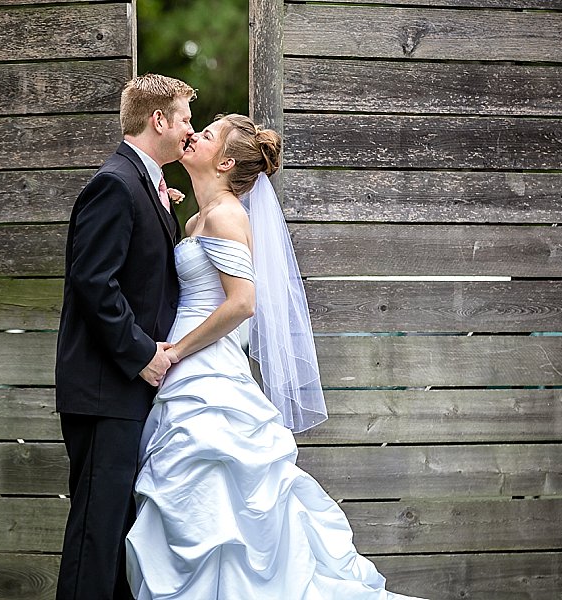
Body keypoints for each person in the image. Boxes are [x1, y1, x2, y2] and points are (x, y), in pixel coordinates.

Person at [125, 114, 429, 599]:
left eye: (205, 135)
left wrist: (177, 351)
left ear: (224, 162)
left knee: (217, 503)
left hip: (204, 371)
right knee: (190, 505)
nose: (193, 135)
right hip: (185, 373)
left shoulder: (226, 214)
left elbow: (243, 302)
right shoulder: (196, 219)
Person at [54, 73, 196, 600]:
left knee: (117, 535)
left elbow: (141, 278)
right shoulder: (114, 183)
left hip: (123, 391)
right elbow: (93, 282)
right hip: (104, 389)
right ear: (158, 120)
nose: (189, 129)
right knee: (97, 533)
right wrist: (142, 356)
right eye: (184, 118)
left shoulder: (145, 184)